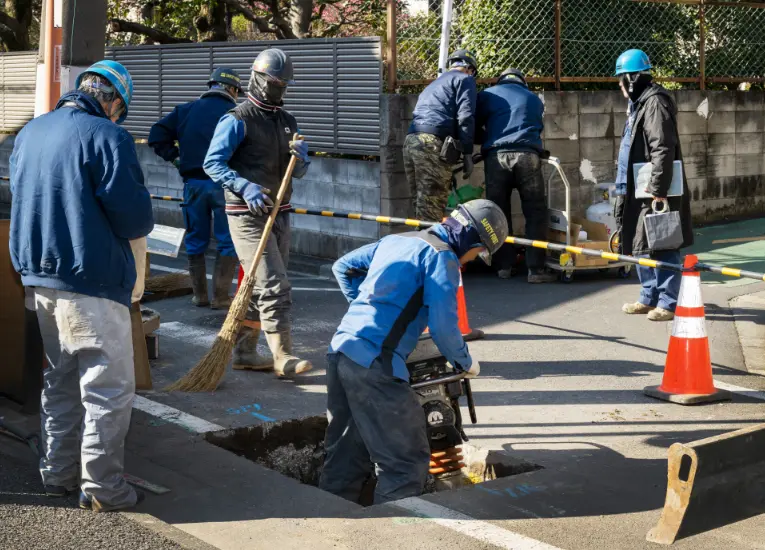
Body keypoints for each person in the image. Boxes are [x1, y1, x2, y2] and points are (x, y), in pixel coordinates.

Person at [9, 60, 154, 511]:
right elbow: (134, 218)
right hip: (92, 281)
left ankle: (57, 473)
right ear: (112, 101)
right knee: (107, 389)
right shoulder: (109, 137)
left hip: (39, 282)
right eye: (118, 108)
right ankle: (104, 489)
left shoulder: (29, 134)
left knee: (60, 380)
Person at [318, 199, 508, 504]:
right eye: (480, 251)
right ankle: (392, 533)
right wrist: (466, 361)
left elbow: (343, 266)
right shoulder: (443, 258)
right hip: (376, 364)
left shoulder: (399, 239)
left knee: (346, 456)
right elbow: (444, 328)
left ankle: (329, 525)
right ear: (471, 238)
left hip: (340, 351)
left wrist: (366, 310)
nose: (473, 259)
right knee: (405, 464)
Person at [203, 48, 312, 376]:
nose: (280, 88)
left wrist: (303, 159)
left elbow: (298, 172)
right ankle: (283, 356)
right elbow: (212, 163)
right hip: (247, 215)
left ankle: (246, 351)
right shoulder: (237, 119)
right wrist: (242, 185)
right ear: (260, 79)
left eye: (284, 83)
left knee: (258, 285)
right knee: (275, 284)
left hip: (280, 212)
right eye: (275, 81)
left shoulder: (287, 121)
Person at [148, 67, 243, 309]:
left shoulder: (186, 110)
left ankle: (200, 295)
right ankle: (221, 297)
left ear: (211, 86)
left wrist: (176, 158)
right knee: (227, 241)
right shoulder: (236, 113)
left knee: (195, 240)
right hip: (225, 186)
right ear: (232, 89)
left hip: (193, 185)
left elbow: (156, 134)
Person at [613, 49, 693, 322]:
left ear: (632, 79)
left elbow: (662, 147)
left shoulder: (655, 103)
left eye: (621, 79)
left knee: (663, 240)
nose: (620, 86)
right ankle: (649, 296)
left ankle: (668, 302)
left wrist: (658, 186)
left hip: (654, 187)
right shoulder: (639, 104)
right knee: (640, 242)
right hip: (637, 185)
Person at [475, 68, 555, 283]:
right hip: (528, 156)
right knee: (535, 211)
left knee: (497, 213)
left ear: (500, 80)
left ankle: (503, 266)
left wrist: (487, 138)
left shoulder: (488, 95)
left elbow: (474, 121)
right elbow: (537, 127)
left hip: (496, 157)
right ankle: (536, 270)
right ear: (523, 82)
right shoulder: (534, 99)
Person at [405, 49, 478, 222]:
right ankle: (431, 246)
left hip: (411, 140)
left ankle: (419, 243)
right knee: (432, 205)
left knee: (420, 203)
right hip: (432, 143)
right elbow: (466, 116)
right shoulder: (465, 79)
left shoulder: (434, 84)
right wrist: (468, 152)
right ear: (469, 68)